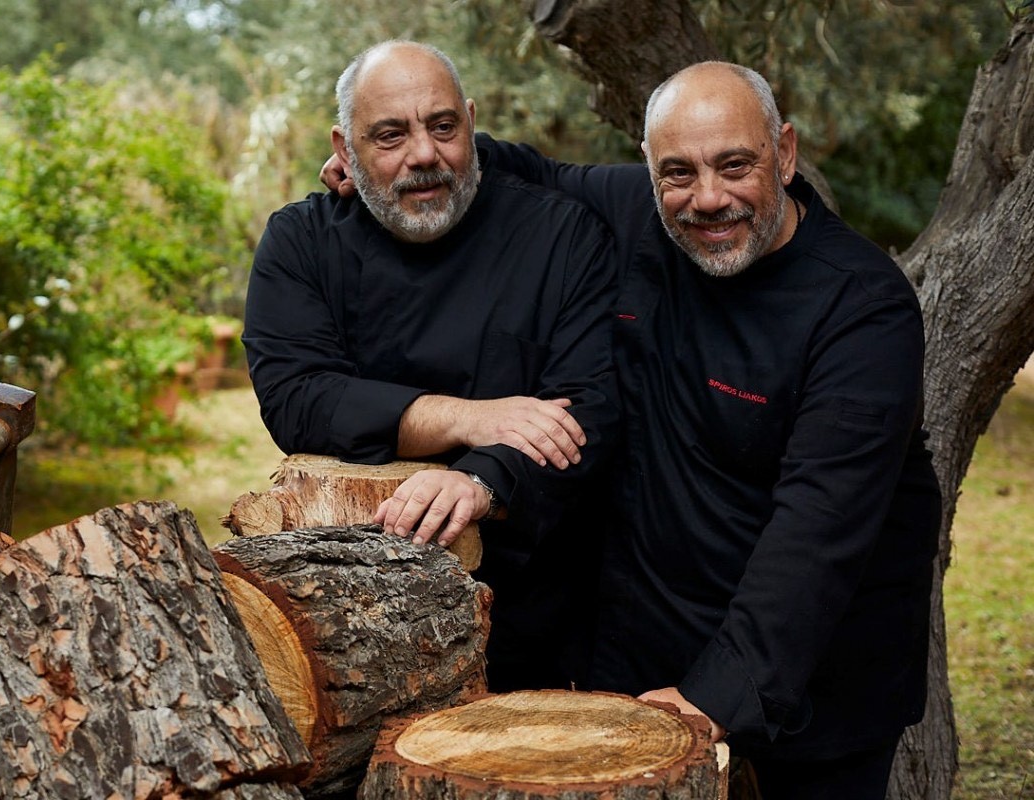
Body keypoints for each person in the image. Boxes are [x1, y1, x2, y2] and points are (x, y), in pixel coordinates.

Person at [325, 61, 941, 798]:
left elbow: (821, 527)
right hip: (639, 675)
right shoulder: (637, 213)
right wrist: (385, 158)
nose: (707, 198)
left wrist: (721, 692)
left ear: (784, 152)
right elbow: (525, 169)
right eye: (677, 172)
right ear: (648, 170)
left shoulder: (863, 309)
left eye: (735, 165)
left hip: (809, 696)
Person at [243, 40, 620, 692]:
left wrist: (482, 480)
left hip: (537, 618)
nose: (424, 154)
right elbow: (296, 397)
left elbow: (589, 406)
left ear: (471, 122)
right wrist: (469, 420)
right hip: (342, 614)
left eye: (443, 127)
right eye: (389, 136)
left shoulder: (561, 236)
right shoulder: (301, 242)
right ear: (345, 146)